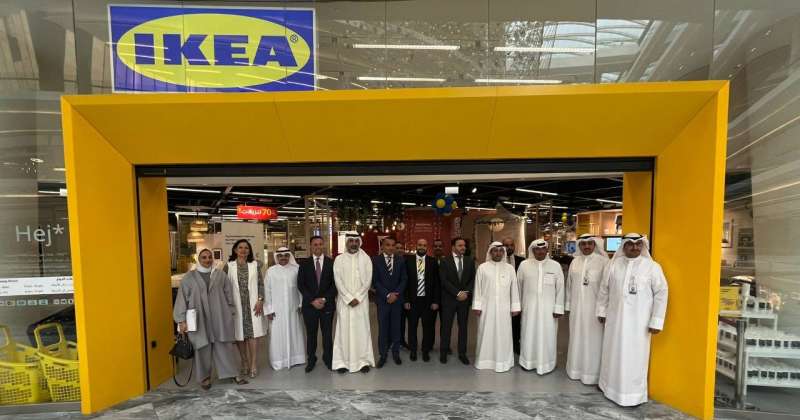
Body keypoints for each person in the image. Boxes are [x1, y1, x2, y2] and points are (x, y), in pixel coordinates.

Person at [597, 233, 668, 406]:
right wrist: (602, 311)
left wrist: (656, 321)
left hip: (639, 324)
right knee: (612, 353)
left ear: (643, 246)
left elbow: (661, 293)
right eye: (630, 244)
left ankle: (632, 395)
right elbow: (604, 289)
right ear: (624, 246)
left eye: (638, 244)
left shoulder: (652, 267)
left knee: (636, 358)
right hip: (615, 321)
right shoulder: (613, 265)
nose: (635, 247)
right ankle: (609, 388)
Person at [173, 249, 248, 389]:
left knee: (224, 346)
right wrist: (181, 320)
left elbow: (229, 293)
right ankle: (205, 378)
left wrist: (230, 311)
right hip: (199, 318)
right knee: (202, 347)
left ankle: (232, 373)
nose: (207, 260)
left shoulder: (220, 275)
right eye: (204, 257)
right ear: (199, 259)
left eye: (209, 257)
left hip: (219, 316)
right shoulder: (189, 277)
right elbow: (182, 299)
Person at [565, 234, 608, 385]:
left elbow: (606, 289)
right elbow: (569, 285)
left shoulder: (603, 262)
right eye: (583, 244)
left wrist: (603, 310)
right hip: (577, 308)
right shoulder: (575, 262)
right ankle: (575, 370)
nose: (587, 246)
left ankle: (592, 374)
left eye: (590, 243)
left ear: (595, 245)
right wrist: (568, 305)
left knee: (594, 341)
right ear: (579, 246)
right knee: (576, 338)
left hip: (595, 311)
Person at [517, 239, 564, 374]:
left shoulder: (555, 266)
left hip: (549, 310)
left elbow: (560, 288)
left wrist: (558, 308)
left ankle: (547, 363)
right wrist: (518, 306)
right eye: (537, 249)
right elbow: (518, 287)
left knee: (548, 335)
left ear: (547, 250)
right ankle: (528, 362)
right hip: (529, 308)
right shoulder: (524, 265)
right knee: (528, 334)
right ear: (533, 250)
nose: (540, 251)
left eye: (543, 249)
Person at [472, 242, 521, 372]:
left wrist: (515, 307)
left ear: (503, 252)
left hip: (504, 309)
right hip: (486, 308)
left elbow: (514, 289)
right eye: (495, 250)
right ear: (490, 252)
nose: (498, 253)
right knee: (486, 333)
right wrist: (477, 306)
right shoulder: (482, 268)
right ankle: (484, 361)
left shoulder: (509, 268)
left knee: (504, 334)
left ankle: (503, 361)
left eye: (500, 251)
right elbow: (478, 288)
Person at [332, 234, 375, 373]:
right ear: (346, 243)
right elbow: (338, 280)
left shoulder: (366, 259)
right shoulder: (339, 259)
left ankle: (363, 362)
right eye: (351, 241)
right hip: (345, 302)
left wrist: (358, 297)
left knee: (362, 331)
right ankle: (342, 362)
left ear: (359, 242)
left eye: (356, 241)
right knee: (343, 332)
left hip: (361, 302)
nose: (354, 243)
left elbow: (368, 281)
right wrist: (349, 298)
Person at [223, 239, 266, 378]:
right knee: (239, 336)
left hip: (252, 305)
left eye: (246, 248)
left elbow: (260, 284)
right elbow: (224, 286)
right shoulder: (228, 266)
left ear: (249, 250)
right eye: (240, 247)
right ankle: (244, 361)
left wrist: (260, 300)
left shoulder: (255, 265)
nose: (243, 250)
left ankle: (253, 364)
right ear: (235, 250)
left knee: (253, 335)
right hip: (236, 305)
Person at [297, 236, 337, 372]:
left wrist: (324, 299)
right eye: (315, 244)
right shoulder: (304, 264)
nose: (318, 247)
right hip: (310, 306)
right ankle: (311, 360)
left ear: (323, 245)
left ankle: (328, 358)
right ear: (310, 246)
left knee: (327, 334)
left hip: (327, 305)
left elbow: (335, 285)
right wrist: (312, 300)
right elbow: (301, 284)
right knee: (311, 335)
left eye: (320, 244)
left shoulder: (331, 263)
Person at [264, 247, 306, 370]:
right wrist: (269, 309)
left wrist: (301, 304)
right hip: (277, 310)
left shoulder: (296, 269)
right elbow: (267, 291)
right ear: (277, 257)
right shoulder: (271, 271)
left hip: (293, 308)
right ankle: (279, 361)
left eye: (286, 255)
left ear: (289, 256)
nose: (283, 258)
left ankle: (296, 358)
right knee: (277, 335)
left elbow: (300, 289)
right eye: (280, 256)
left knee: (295, 333)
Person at [439, 237, 475, 365]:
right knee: (446, 327)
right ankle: (443, 352)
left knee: (463, 327)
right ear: (453, 247)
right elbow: (444, 281)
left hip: (464, 300)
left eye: (464, 245)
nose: (463, 248)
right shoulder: (445, 261)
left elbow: (473, 279)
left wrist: (466, 292)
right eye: (460, 245)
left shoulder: (469, 261)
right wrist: (457, 293)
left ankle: (462, 353)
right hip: (449, 299)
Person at [372, 237, 408, 367]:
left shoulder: (400, 260)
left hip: (397, 300)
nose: (391, 247)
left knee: (396, 328)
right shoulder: (375, 260)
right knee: (383, 328)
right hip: (383, 300)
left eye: (393, 245)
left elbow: (404, 279)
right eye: (388, 245)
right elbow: (375, 281)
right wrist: (387, 294)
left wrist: (395, 294)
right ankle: (383, 355)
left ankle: (396, 353)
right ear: (382, 246)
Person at [404, 238, 440, 362]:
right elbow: (405, 282)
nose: (422, 247)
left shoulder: (433, 262)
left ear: (427, 247)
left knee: (427, 327)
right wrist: (406, 300)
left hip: (428, 301)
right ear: (416, 246)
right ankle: (413, 350)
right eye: (420, 244)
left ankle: (425, 351)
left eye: (424, 245)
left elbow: (437, 283)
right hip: (412, 301)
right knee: (412, 327)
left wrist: (435, 301)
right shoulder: (408, 261)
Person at [502, 236, 525, 354]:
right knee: (503, 322)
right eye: (506, 245)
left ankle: (516, 344)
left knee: (516, 322)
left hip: (517, 297)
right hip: (502, 298)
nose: (509, 247)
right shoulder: (498, 260)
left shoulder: (522, 261)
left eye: (511, 245)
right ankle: (504, 345)